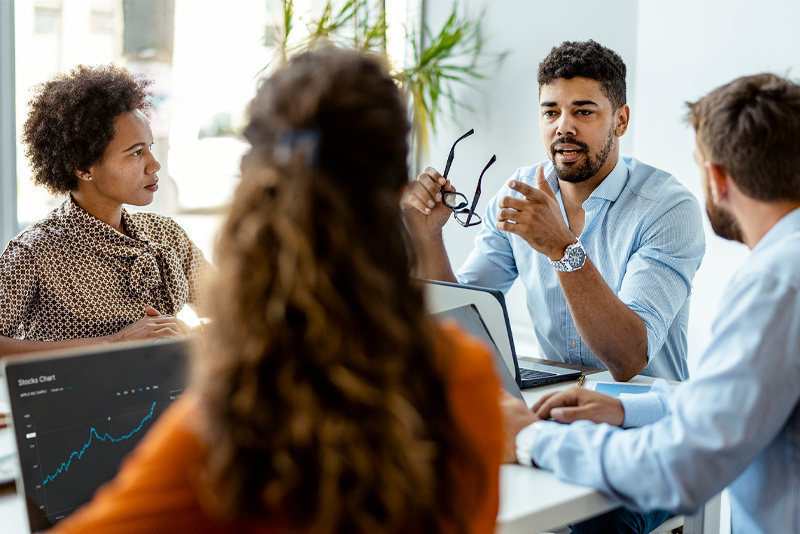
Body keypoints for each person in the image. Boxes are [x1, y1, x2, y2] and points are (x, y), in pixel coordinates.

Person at [47, 48, 503, 534]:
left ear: (253, 189)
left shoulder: (221, 436)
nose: (152, 164)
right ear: (400, 190)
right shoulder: (465, 379)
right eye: (135, 151)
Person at [502, 73, 800, 534]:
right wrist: (627, 409)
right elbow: (730, 407)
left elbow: (683, 467)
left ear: (716, 179)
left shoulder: (777, 283)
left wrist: (531, 438)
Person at [402, 39, 705, 384]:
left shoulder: (667, 210)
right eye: (550, 112)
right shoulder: (517, 195)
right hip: (555, 409)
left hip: (646, 421)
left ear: (621, 121)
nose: (563, 127)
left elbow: (629, 358)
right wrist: (427, 236)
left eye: (583, 111)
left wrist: (563, 249)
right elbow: (464, 320)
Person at [0, 65, 210, 357]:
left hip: (170, 400)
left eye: (149, 147)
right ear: (84, 167)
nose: (154, 165)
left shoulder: (168, 234)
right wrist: (112, 344)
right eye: (136, 152)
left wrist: (190, 336)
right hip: (78, 403)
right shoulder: (34, 252)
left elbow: (235, 313)